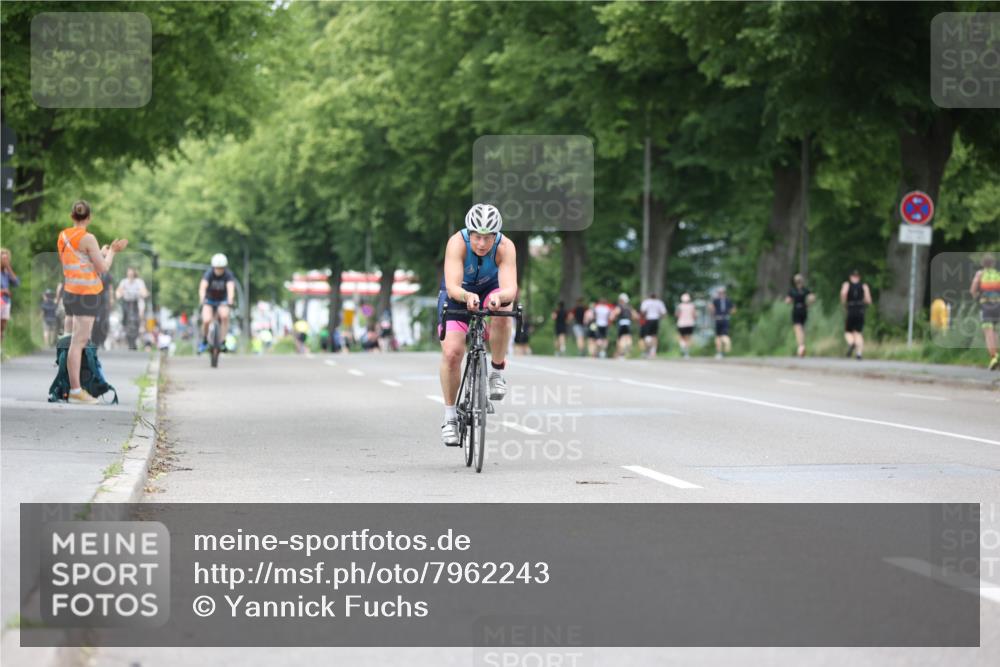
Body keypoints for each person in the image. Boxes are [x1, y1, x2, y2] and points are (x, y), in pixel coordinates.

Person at [438, 203, 517, 446]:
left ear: (495, 236)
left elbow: (510, 289)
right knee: (452, 353)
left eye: (487, 238)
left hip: (491, 288)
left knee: (504, 311)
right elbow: (453, 286)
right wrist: (466, 296)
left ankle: (496, 372)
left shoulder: (505, 247)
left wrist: (499, 298)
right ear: (469, 233)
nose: (482, 244)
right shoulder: (457, 243)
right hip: (459, 291)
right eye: (477, 237)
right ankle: (450, 417)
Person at [57, 200, 128, 404]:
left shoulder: (63, 236)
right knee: (78, 342)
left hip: (70, 292)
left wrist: (100, 252)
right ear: (89, 217)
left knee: (72, 340)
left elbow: (78, 260)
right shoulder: (88, 238)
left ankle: (70, 386)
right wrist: (112, 251)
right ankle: (76, 390)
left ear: (72, 216)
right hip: (86, 294)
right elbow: (103, 268)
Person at [198, 253, 235, 354]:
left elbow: (230, 288)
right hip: (209, 300)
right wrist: (202, 298)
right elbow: (203, 287)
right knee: (206, 320)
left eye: (221, 268)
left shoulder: (228, 275)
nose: (219, 270)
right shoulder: (208, 274)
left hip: (223, 300)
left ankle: (222, 341)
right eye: (217, 268)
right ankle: (204, 340)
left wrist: (230, 299)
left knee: (224, 316)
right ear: (213, 267)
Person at [970, 254, 1000, 371]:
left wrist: (976, 296)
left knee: (988, 332)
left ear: (982, 264)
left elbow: (973, 290)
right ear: (993, 264)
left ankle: (994, 357)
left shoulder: (980, 274)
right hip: (998, 306)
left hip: (986, 307)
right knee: (995, 331)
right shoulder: (997, 274)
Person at [840, 269, 872, 360]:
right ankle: (859, 353)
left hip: (851, 309)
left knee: (848, 331)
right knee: (858, 332)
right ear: (859, 277)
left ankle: (851, 343)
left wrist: (844, 303)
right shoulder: (864, 286)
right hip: (860, 310)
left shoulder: (847, 285)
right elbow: (868, 300)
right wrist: (863, 302)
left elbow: (843, 293)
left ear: (851, 277)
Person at [116, 267, 148, 350]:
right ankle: (123, 325)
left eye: (131, 273)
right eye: (129, 273)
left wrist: (143, 293)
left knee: (141, 312)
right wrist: (119, 294)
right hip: (127, 302)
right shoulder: (124, 282)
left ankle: (141, 326)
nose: (130, 274)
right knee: (123, 315)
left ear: (134, 274)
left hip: (136, 302)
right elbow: (119, 291)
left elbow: (144, 291)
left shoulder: (139, 282)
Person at [785, 273, 816, 357]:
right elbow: (812, 298)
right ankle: (802, 346)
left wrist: (791, 300)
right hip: (804, 310)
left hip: (796, 310)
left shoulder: (792, 291)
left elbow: (787, 301)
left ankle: (801, 347)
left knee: (798, 329)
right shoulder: (806, 290)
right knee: (802, 329)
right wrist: (808, 304)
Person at [708, 287, 735, 359]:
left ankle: (721, 351)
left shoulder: (716, 300)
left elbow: (711, 308)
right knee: (722, 335)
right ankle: (722, 351)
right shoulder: (728, 300)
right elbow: (733, 310)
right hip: (725, 319)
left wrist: (713, 315)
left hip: (719, 319)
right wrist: (727, 313)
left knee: (719, 336)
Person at [639, 292, 668, 358]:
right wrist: (660, 317)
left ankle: (647, 350)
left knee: (647, 336)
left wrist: (642, 318)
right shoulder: (659, 302)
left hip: (648, 319)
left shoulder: (646, 302)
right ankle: (653, 351)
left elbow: (642, 311)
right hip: (656, 320)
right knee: (654, 335)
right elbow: (664, 313)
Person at [0, 248, 20, 344]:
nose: (6, 261)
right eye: (4, 259)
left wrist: (9, 268)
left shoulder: (6, 272)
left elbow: (16, 283)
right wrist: (3, 291)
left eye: (7, 259)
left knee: (2, 326)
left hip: (6, 301)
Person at [612, 293, 636, 358]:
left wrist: (613, 318)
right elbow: (635, 316)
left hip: (621, 323)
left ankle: (620, 352)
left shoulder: (619, 306)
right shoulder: (629, 307)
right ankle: (628, 351)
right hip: (628, 323)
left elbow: (615, 313)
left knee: (620, 338)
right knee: (628, 337)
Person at [675, 293, 697, 359]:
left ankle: (682, 346)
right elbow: (694, 315)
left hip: (681, 323)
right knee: (688, 338)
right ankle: (687, 353)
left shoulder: (680, 306)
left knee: (681, 337)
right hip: (690, 323)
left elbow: (677, 315)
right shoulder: (692, 306)